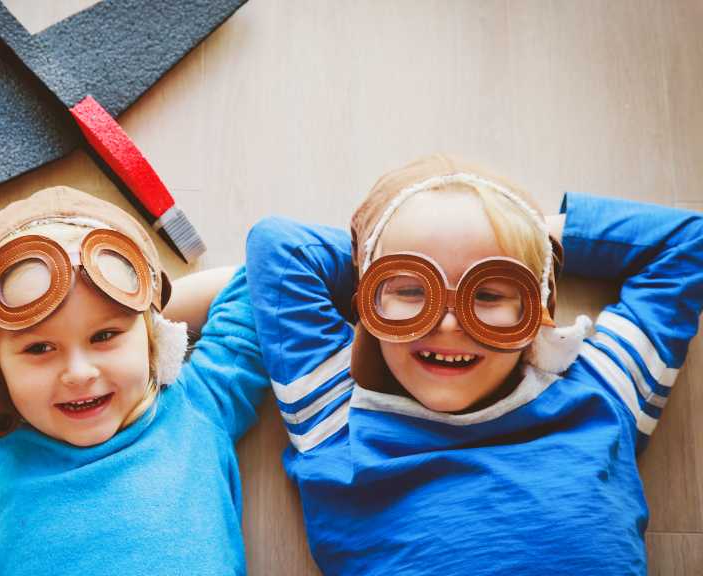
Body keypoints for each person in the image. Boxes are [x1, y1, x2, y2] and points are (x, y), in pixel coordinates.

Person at [244, 154, 703, 574]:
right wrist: (389, 252)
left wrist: (529, 239)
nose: (448, 324)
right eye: (409, 290)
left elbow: (688, 244)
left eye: (488, 293)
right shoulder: (338, 414)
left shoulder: (601, 392)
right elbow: (280, 247)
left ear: (536, 307)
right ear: (370, 300)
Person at [0, 186, 269, 575]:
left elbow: (256, 281)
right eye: (39, 349)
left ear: (153, 337)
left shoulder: (198, 403)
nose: (79, 373)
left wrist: (149, 313)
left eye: (105, 335)